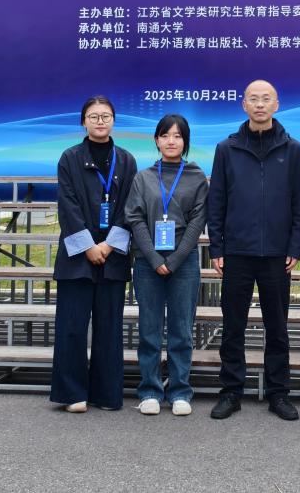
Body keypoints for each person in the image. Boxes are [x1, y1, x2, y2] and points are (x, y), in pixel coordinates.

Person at [207, 79, 300, 421]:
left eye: (266, 99)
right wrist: (217, 246)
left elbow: (299, 203)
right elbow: (217, 201)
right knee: (233, 327)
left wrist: (296, 245)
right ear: (244, 104)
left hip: (278, 254)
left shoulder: (292, 149)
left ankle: (279, 393)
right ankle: (231, 391)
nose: (260, 104)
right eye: (254, 99)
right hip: (237, 252)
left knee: (277, 328)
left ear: (276, 105)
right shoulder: (227, 148)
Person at [50, 96, 137, 413]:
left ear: (113, 120)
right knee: (72, 326)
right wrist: (88, 246)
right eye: (94, 116)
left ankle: (106, 394)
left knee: (109, 327)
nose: (100, 121)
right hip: (77, 256)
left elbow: (130, 207)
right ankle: (72, 394)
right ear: (83, 122)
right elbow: (67, 206)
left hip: (113, 255)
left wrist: (109, 245)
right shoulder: (69, 158)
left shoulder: (126, 160)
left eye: (106, 116)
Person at [125, 114, 209, 416]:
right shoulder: (143, 177)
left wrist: (173, 260)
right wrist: (153, 258)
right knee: (149, 329)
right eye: (165, 135)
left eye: (177, 136)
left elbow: (198, 221)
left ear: (186, 141)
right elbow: (134, 218)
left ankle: (180, 391)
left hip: (183, 263)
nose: (171, 141)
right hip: (147, 263)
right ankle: (149, 390)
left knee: (181, 330)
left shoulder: (197, 177)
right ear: (156, 140)